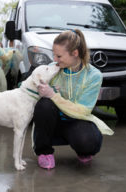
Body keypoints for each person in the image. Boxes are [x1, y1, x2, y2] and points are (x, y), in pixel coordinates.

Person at [32, 29, 114, 170]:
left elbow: (83, 110)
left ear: (75, 53)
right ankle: (44, 152)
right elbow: (29, 85)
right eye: (54, 55)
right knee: (44, 105)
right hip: (53, 122)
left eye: (59, 56)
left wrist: (53, 95)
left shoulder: (93, 75)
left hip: (76, 121)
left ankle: (83, 149)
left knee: (87, 141)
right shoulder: (52, 69)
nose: (55, 60)